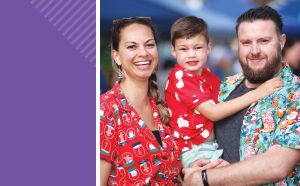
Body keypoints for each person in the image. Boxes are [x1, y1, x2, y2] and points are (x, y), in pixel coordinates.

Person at [183, 6, 300, 186]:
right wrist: (191, 164)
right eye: (246, 42)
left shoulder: (295, 93)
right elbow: (191, 130)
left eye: (263, 41)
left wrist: (203, 179)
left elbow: (277, 165)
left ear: (281, 41)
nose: (254, 50)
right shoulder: (223, 87)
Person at [164, 16, 283, 168]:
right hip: (195, 151)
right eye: (183, 49)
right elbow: (213, 112)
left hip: (209, 147)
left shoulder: (208, 76)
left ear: (208, 48)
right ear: (173, 51)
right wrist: (256, 93)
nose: (191, 54)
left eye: (198, 48)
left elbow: (225, 100)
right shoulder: (181, 77)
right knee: (232, 175)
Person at [100, 17, 181, 186]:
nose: (143, 52)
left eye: (149, 44)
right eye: (132, 46)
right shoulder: (105, 109)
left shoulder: (162, 108)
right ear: (117, 57)